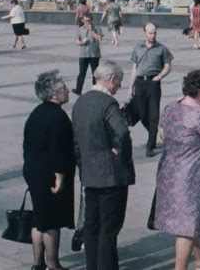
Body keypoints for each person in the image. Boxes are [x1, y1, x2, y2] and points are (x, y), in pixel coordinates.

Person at [153, 69, 200, 270]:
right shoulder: (199, 116)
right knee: (187, 226)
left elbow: (163, 133)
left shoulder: (171, 107)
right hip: (191, 177)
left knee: (189, 219)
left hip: (169, 172)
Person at [71, 61, 134, 270]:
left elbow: (76, 142)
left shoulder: (80, 102)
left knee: (92, 227)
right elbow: (122, 132)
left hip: (90, 175)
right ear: (111, 79)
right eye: (119, 82)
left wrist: (84, 165)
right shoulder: (108, 103)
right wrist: (118, 153)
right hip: (111, 176)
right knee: (109, 228)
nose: (118, 87)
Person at [23, 71, 74, 270]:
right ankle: (53, 264)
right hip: (50, 174)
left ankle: (38, 263)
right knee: (52, 220)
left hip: (33, 170)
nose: (67, 92)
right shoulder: (58, 117)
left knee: (39, 218)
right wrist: (60, 176)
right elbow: (59, 150)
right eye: (64, 89)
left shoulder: (36, 112)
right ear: (54, 94)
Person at [128, 23, 174, 157]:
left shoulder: (162, 49)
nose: (152, 35)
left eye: (154, 33)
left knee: (153, 114)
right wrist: (131, 86)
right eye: (150, 33)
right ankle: (153, 133)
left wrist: (159, 76)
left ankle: (150, 145)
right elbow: (134, 68)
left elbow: (168, 66)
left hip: (153, 84)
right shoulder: (137, 48)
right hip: (140, 83)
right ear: (144, 32)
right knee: (142, 114)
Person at [74, 14, 104, 95]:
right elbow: (77, 41)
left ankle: (95, 90)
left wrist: (92, 31)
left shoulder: (97, 28)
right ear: (83, 21)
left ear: (92, 20)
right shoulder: (80, 29)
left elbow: (99, 39)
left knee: (95, 73)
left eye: (89, 21)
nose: (88, 23)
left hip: (94, 54)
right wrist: (81, 43)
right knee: (82, 73)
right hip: (83, 54)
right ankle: (78, 89)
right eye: (86, 21)